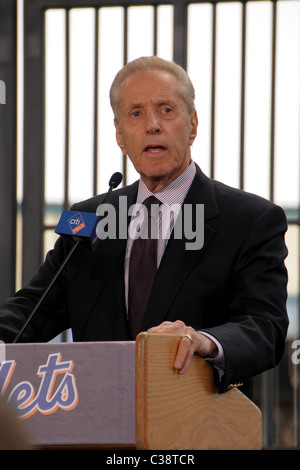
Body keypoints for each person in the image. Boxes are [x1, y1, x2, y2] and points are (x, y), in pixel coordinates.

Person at [0, 56, 288, 400]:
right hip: (97, 422)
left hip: (196, 427)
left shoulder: (250, 220)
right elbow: (34, 308)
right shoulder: (90, 218)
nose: (152, 125)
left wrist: (204, 341)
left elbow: (264, 327)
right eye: (135, 114)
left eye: (166, 110)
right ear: (121, 136)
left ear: (193, 125)